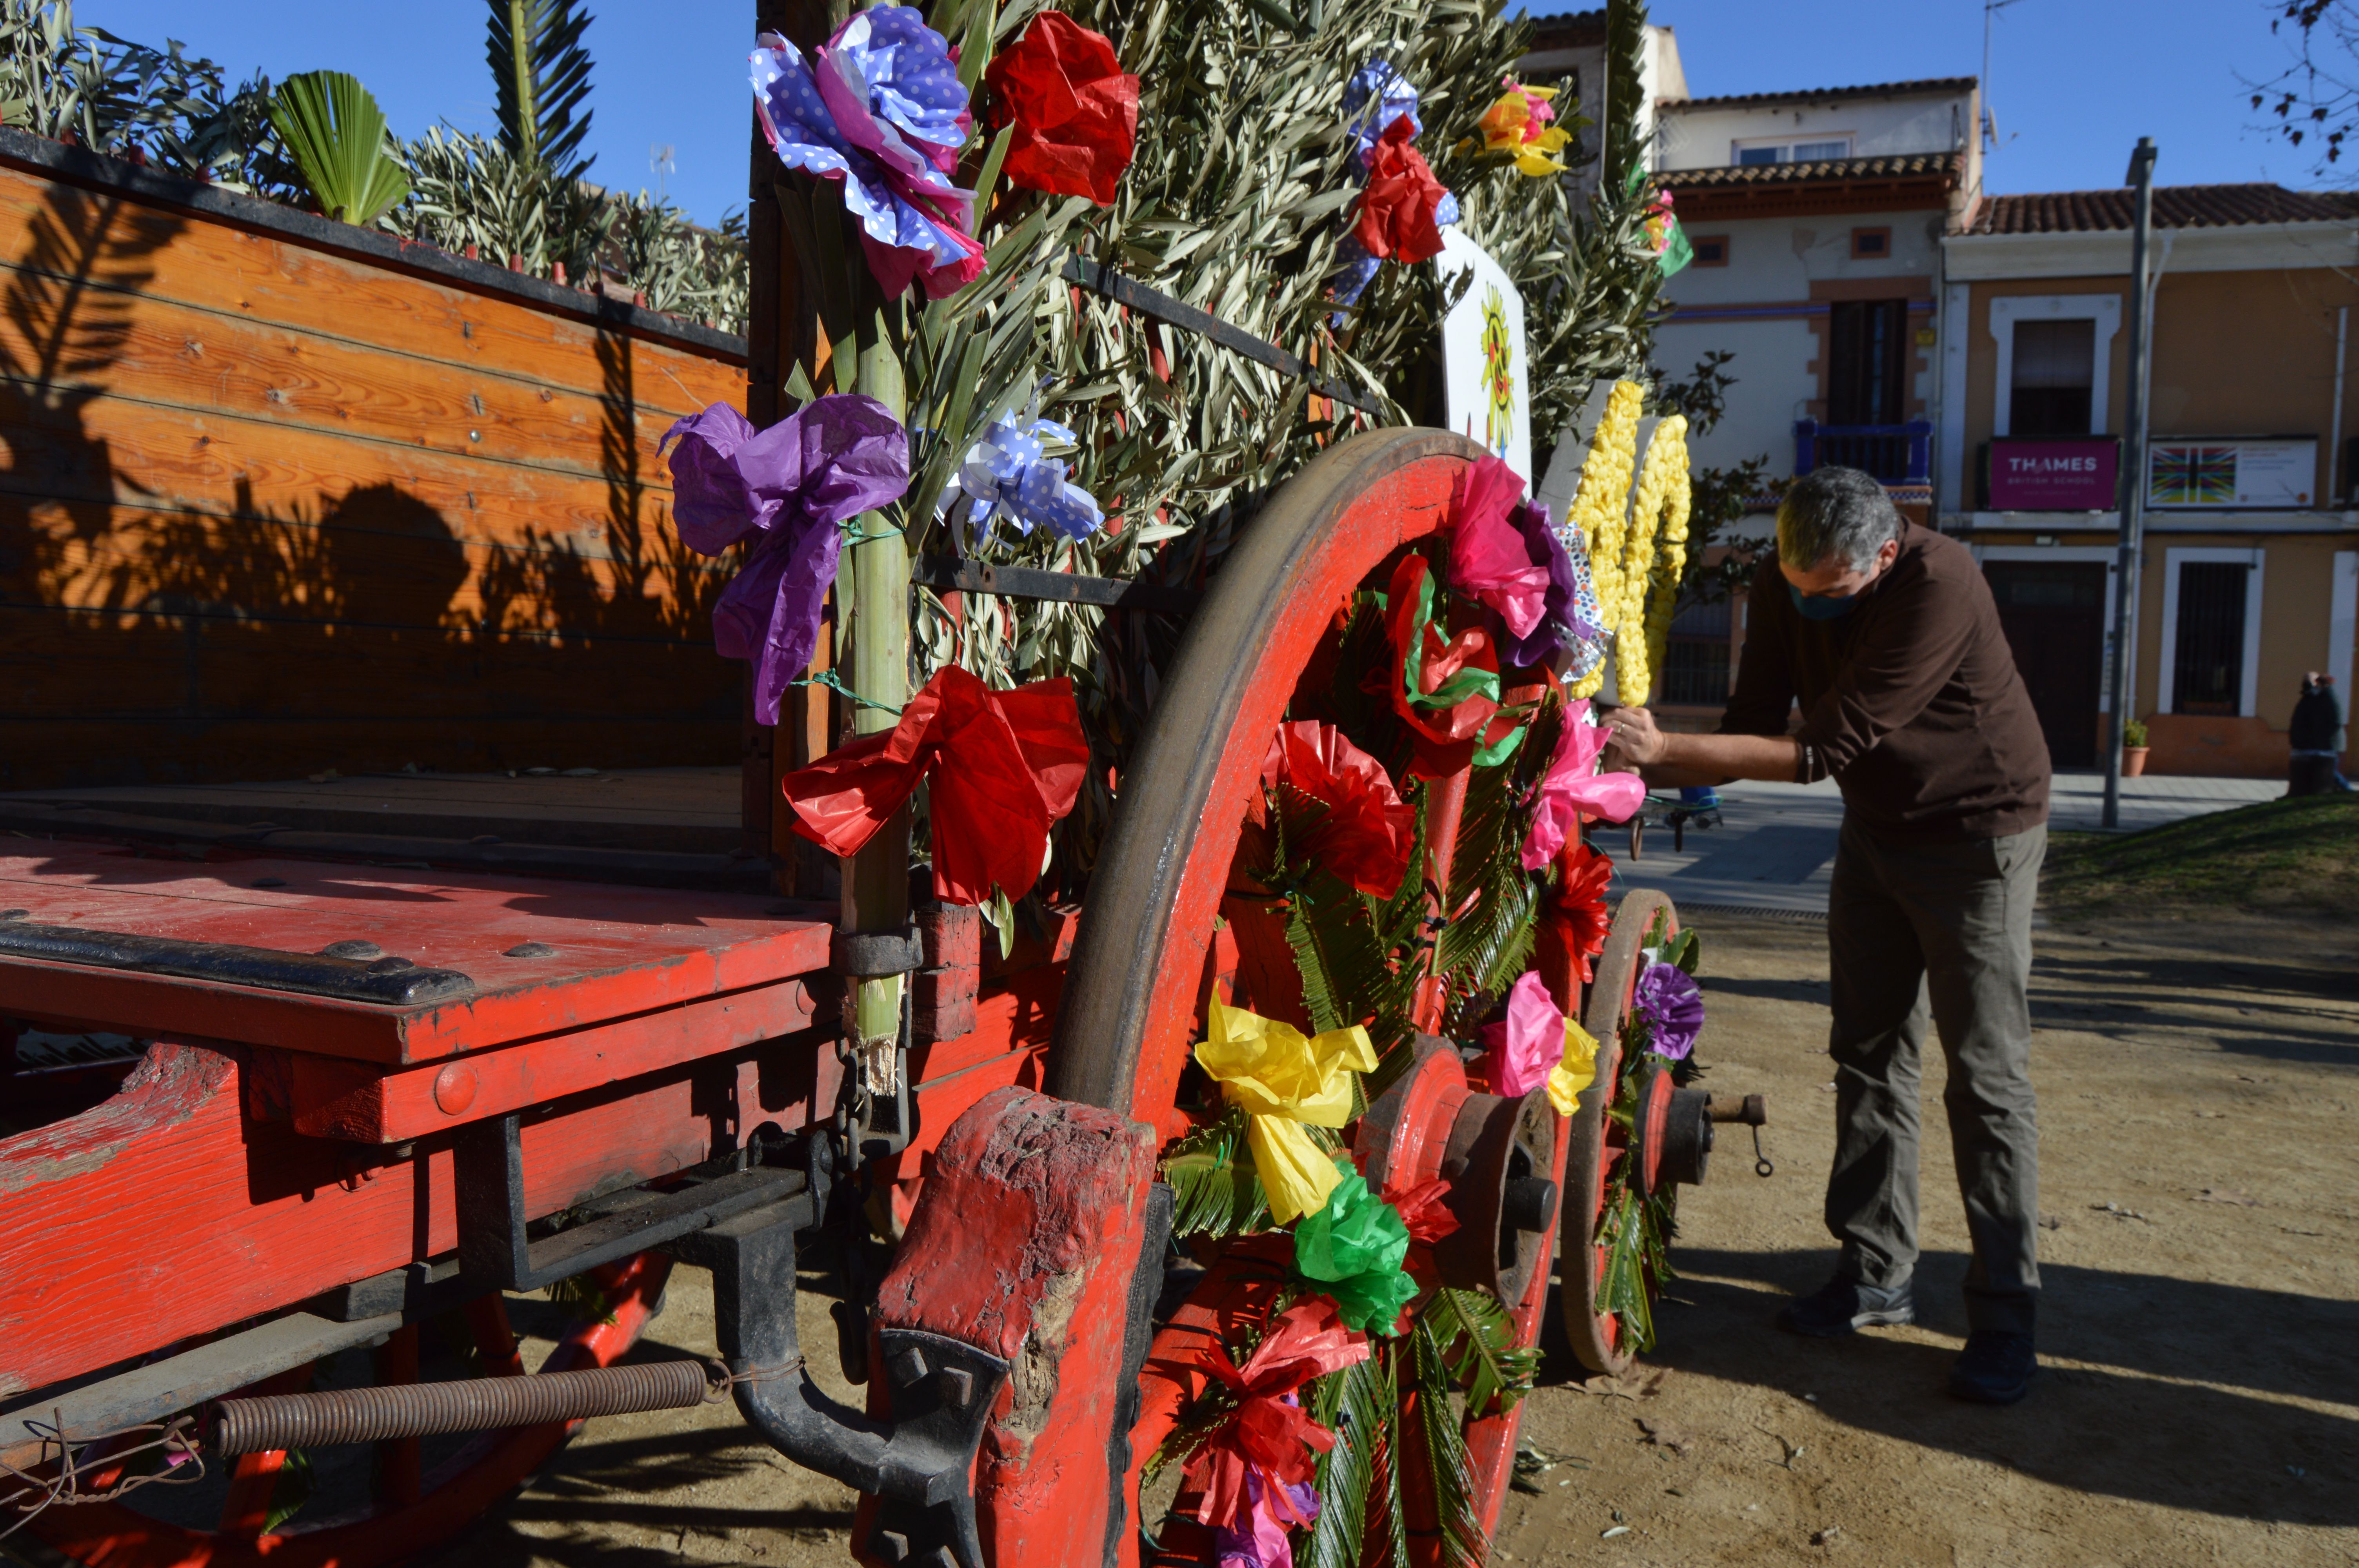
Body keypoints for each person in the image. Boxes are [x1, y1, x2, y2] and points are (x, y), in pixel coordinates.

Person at [1601, 466, 2052, 1406]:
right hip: (1877, 832)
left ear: (1884, 557)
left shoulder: (1942, 582)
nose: (1806, 607)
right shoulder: (1784, 577)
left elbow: (1817, 751)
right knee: (1867, 1051)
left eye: (1829, 596)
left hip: (1979, 835)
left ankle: (2006, 1315)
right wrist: (1637, 768)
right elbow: (1755, 720)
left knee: (1985, 1076)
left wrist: (1663, 752)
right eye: (1794, 587)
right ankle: (1874, 1270)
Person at [2288, 672, 2352, 795]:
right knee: (2326, 772)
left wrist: (2323, 737)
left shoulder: (2329, 698)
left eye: (2311, 682)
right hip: (2316, 744)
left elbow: (2336, 721)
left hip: (2328, 744)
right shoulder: (2310, 698)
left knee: (2330, 772)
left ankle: (2348, 791)